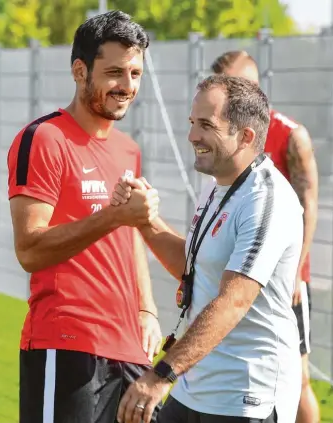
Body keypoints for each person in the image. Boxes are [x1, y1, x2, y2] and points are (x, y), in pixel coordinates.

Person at [113, 74, 303, 423]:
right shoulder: (219, 184)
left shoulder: (266, 199)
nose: (192, 136)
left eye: (206, 125)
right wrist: (142, 219)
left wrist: (161, 375)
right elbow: (194, 266)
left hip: (247, 396)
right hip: (196, 386)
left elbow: (234, 300)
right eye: (191, 122)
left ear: (245, 136)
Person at [7, 10, 163, 423]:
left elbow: (130, 233)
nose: (127, 86)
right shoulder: (43, 139)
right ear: (80, 70)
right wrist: (113, 216)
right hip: (66, 342)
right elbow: (29, 249)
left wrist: (147, 309)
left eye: (135, 73)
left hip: (129, 349)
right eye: (114, 72)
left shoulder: (128, 148)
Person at [211, 50, 320, 423]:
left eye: (236, 88)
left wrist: (294, 273)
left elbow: (308, 206)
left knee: (298, 377)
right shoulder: (218, 133)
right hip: (236, 275)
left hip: (282, 281)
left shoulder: (291, 136)